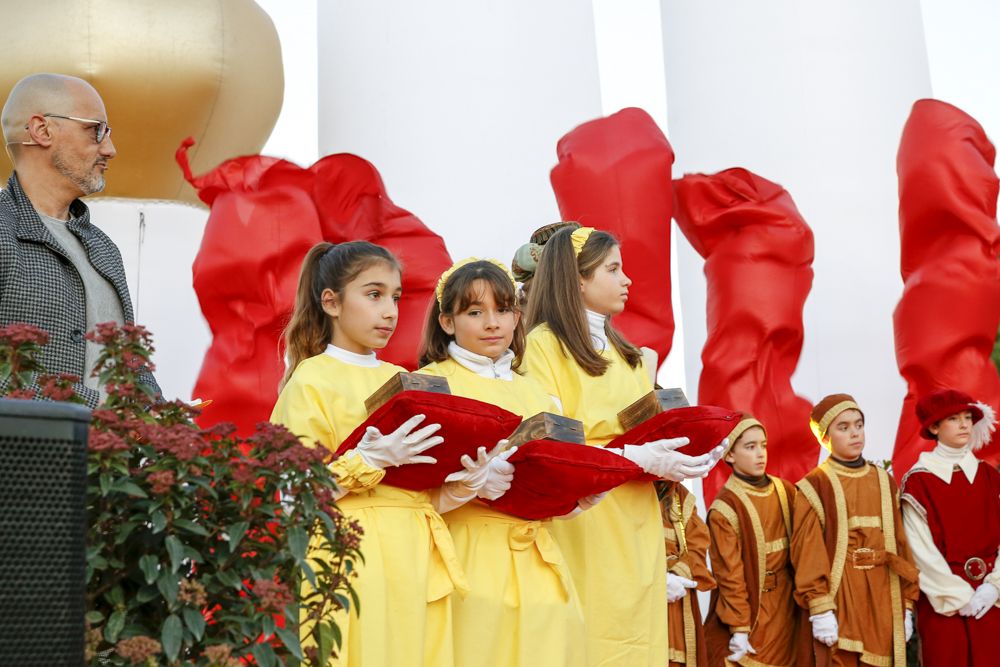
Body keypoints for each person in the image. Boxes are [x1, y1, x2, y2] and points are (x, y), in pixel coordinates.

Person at [521, 225, 723, 666]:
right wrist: (633, 457)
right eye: (613, 268)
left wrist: (679, 458)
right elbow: (552, 445)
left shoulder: (628, 354)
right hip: (587, 516)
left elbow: (645, 431)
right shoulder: (544, 346)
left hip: (637, 517)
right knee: (590, 637)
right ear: (577, 279)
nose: (626, 279)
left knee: (639, 640)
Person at [270, 241, 461, 667]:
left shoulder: (406, 380)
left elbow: (422, 485)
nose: (390, 311)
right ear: (331, 302)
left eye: (395, 296)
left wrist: (466, 484)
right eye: (374, 295)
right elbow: (292, 494)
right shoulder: (312, 379)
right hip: (347, 557)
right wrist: (367, 461)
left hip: (416, 554)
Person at [417, 257, 590, 666]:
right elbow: (413, 485)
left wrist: (571, 496)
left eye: (503, 310)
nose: (492, 323)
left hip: (539, 558)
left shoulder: (538, 394)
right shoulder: (436, 386)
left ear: (517, 317)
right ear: (446, 322)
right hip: (468, 556)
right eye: (475, 312)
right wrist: (469, 480)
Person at [0, 72, 158, 404]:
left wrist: (160, 417)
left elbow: (131, 366)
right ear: (42, 130)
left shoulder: (104, 249)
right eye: (95, 130)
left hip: (109, 457)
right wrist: (91, 410)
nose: (110, 149)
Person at [791, 394, 920, 666]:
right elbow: (808, 552)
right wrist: (820, 607)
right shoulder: (815, 485)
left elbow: (900, 544)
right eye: (844, 427)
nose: (855, 433)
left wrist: (906, 604)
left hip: (883, 597)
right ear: (825, 437)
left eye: (859, 425)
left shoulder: (884, 480)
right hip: (841, 598)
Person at [900, 388, 1000, 666]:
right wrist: (957, 597)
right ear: (934, 427)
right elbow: (920, 551)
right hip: (943, 604)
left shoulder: (990, 478)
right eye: (954, 419)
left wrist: (994, 587)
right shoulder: (918, 483)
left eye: (968, 417)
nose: (965, 424)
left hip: (993, 599)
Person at [703, 415, 810, 667]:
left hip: (789, 610)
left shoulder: (786, 491)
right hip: (754, 614)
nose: (760, 453)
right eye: (750, 447)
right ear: (729, 455)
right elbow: (730, 575)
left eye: (763, 445)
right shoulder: (725, 508)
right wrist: (739, 626)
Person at [660, 480, 714, 667]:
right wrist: (657, 578)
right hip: (637, 595)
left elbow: (697, 546)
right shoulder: (625, 491)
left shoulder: (679, 496)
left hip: (677, 598)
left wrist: (676, 574)